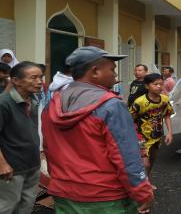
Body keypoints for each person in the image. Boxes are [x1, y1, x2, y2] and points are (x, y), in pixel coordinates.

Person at [41, 46, 153, 213]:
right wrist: (143, 192)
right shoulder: (111, 106)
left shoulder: (52, 104)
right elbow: (125, 156)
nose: (115, 75)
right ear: (94, 72)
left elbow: (49, 149)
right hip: (106, 198)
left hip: (64, 193)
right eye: (112, 69)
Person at [0, 61, 43, 213]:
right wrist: (2, 164)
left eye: (41, 77)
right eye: (33, 78)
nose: (39, 82)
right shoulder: (4, 103)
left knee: (26, 205)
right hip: (11, 168)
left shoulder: (34, 101)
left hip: (32, 164)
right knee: (8, 206)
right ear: (16, 80)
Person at [129, 73, 174, 186]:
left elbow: (167, 115)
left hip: (156, 136)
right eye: (155, 84)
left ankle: (146, 181)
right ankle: (140, 186)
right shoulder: (140, 102)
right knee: (145, 164)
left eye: (161, 84)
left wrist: (169, 133)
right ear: (147, 86)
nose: (159, 86)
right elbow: (130, 119)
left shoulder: (164, 100)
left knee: (152, 160)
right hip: (141, 137)